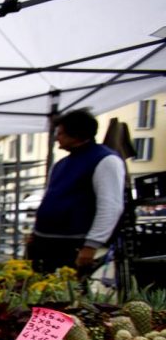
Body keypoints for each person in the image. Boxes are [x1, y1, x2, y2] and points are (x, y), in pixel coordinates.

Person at [29, 109, 125, 275]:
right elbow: (51, 199)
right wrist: (35, 233)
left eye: (60, 133)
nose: (57, 137)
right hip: (44, 242)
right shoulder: (61, 164)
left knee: (68, 293)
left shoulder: (105, 160)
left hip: (71, 244)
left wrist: (91, 245)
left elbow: (110, 206)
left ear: (76, 134)